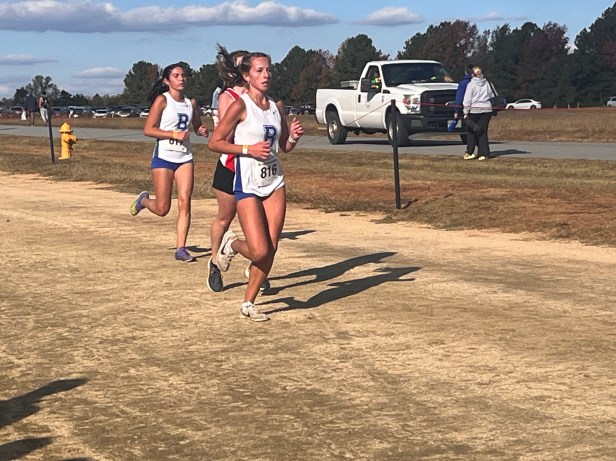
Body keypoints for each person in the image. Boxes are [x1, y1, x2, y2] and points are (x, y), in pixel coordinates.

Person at [208, 52, 304, 321]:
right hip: (248, 184)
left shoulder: (275, 106)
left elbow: (283, 147)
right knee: (259, 249)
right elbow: (215, 143)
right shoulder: (240, 106)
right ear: (247, 76)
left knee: (271, 248)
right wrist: (247, 149)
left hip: (274, 181)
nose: (266, 75)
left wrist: (293, 138)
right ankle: (231, 244)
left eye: (268, 70)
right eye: (260, 71)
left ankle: (248, 303)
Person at [130, 63, 208, 261]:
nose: (181, 79)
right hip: (164, 157)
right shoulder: (162, 100)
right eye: (176, 76)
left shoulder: (191, 103)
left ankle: (181, 248)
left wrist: (201, 130)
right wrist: (173, 134)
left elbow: (197, 125)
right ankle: (143, 201)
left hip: (185, 158)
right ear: (167, 80)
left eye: (183, 75)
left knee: (185, 202)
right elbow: (148, 129)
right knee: (162, 208)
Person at [206, 45, 251, 292]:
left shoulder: (259, 96)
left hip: (255, 167)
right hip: (231, 164)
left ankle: (256, 266)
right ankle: (215, 261)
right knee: (225, 217)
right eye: (241, 65)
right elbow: (226, 135)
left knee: (258, 223)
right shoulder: (227, 97)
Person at [462, 66, 495, 161]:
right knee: (483, 131)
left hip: (475, 110)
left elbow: (467, 100)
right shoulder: (487, 83)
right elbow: (491, 95)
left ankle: (470, 152)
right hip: (487, 109)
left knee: (471, 131)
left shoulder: (471, 85)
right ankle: (484, 153)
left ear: (473, 74)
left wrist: (465, 112)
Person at [454, 63, 474, 153]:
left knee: (469, 130)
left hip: (468, 109)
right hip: (483, 109)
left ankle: (470, 151)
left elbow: (459, 97)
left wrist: (456, 110)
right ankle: (483, 151)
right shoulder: (484, 82)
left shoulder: (464, 83)